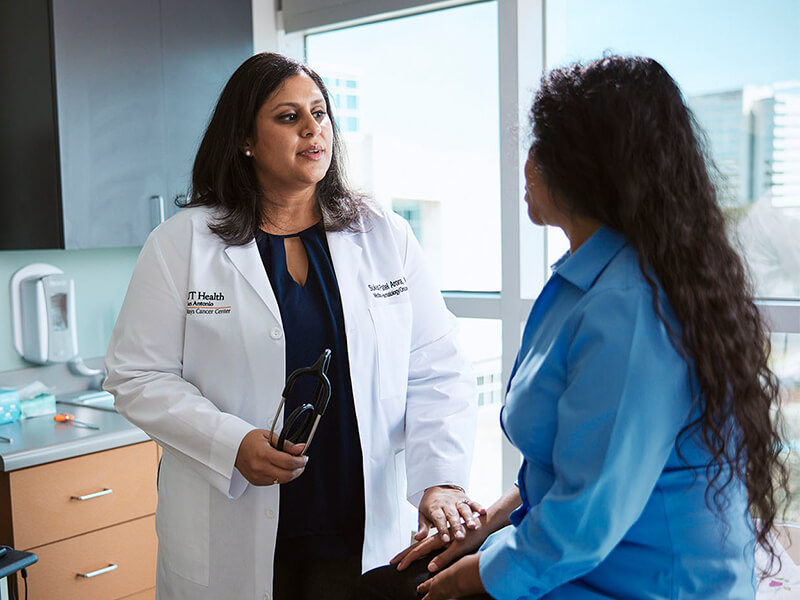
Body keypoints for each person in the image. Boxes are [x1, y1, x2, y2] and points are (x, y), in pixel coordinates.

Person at [356, 55, 790, 600]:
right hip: (578, 553)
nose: (528, 162)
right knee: (384, 582)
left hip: (641, 582)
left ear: (590, 166)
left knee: (388, 592)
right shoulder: (585, 280)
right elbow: (564, 467)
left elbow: (588, 515)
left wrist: (480, 574)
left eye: (542, 147)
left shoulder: (629, 307)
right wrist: (485, 525)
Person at [104, 52, 481, 600]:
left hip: (362, 530)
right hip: (234, 526)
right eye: (288, 117)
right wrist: (231, 443)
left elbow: (437, 368)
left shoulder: (384, 236)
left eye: (320, 113)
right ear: (245, 139)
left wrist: (440, 478)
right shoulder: (183, 243)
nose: (313, 129)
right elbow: (136, 376)